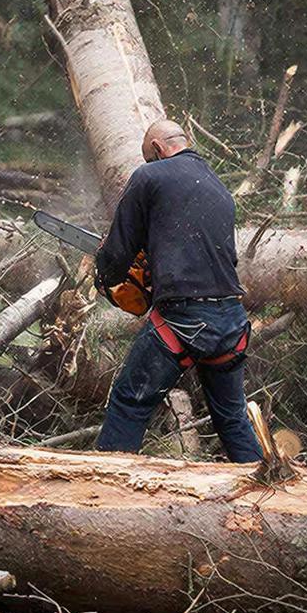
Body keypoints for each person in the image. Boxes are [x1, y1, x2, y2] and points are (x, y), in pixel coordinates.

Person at [94, 119, 263, 463]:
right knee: (232, 419)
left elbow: (119, 249)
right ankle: (263, 488)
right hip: (231, 320)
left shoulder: (150, 176)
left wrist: (105, 273)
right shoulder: (218, 187)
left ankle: (104, 488)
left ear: (157, 149)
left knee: (130, 400)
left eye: (150, 157)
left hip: (184, 319)